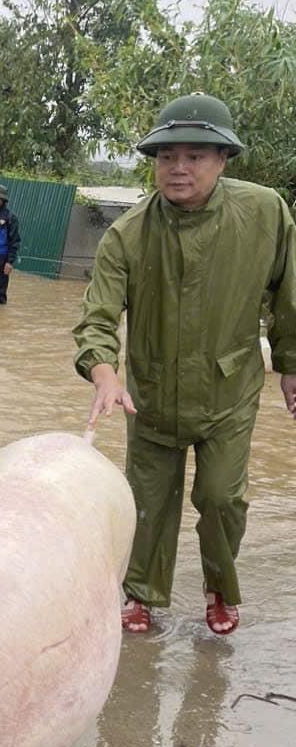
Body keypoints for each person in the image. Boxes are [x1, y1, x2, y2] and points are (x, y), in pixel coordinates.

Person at [73, 92, 296, 636]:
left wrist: (290, 366)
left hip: (229, 390)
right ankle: (141, 594)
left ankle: (220, 588)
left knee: (221, 498)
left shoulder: (265, 213)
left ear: (223, 160)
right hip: (148, 394)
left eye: (196, 155)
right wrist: (105, 373)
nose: (179, 168)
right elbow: (96, 319)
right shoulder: (127, 234)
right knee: (146, 502)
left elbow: (289, 297)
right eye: (167, 156)